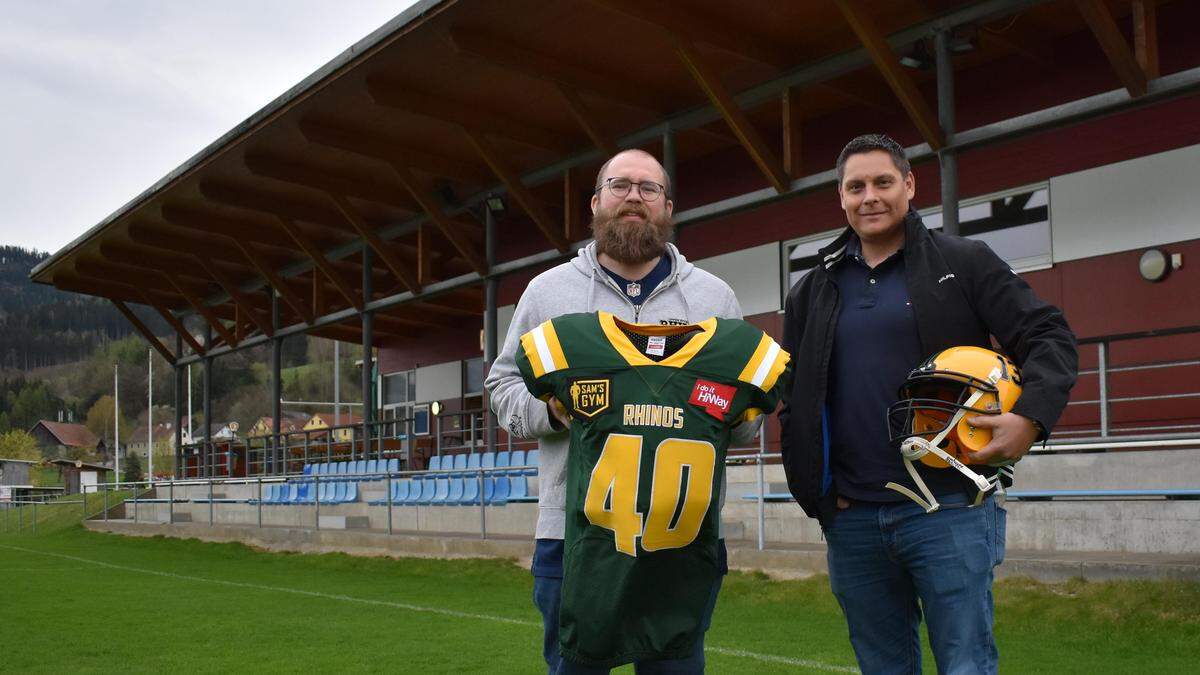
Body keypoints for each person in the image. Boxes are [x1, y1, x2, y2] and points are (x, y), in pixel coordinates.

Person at [779, 134, 1077, 674]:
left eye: (883, 182)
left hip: (948, 511)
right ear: (840, 198)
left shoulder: (963, 262)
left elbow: (1048, 334)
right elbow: (795, 398)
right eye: (856, 186)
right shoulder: (812, 289)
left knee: (965, 665)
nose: (870, 197)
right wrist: (815, 493)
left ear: (910, 186)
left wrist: (1032, 418)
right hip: (852, 519)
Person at [485, 148, 754, 673]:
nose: (634, 196)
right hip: (574, 538)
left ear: (667, 207)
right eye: (619, 185)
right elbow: (503, 385)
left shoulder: (714, 298)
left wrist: (740, 416)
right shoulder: (548, 292)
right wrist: (555, 412)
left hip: (683, 538)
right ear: (596, 202)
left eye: (648, 188)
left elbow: (743, 418)